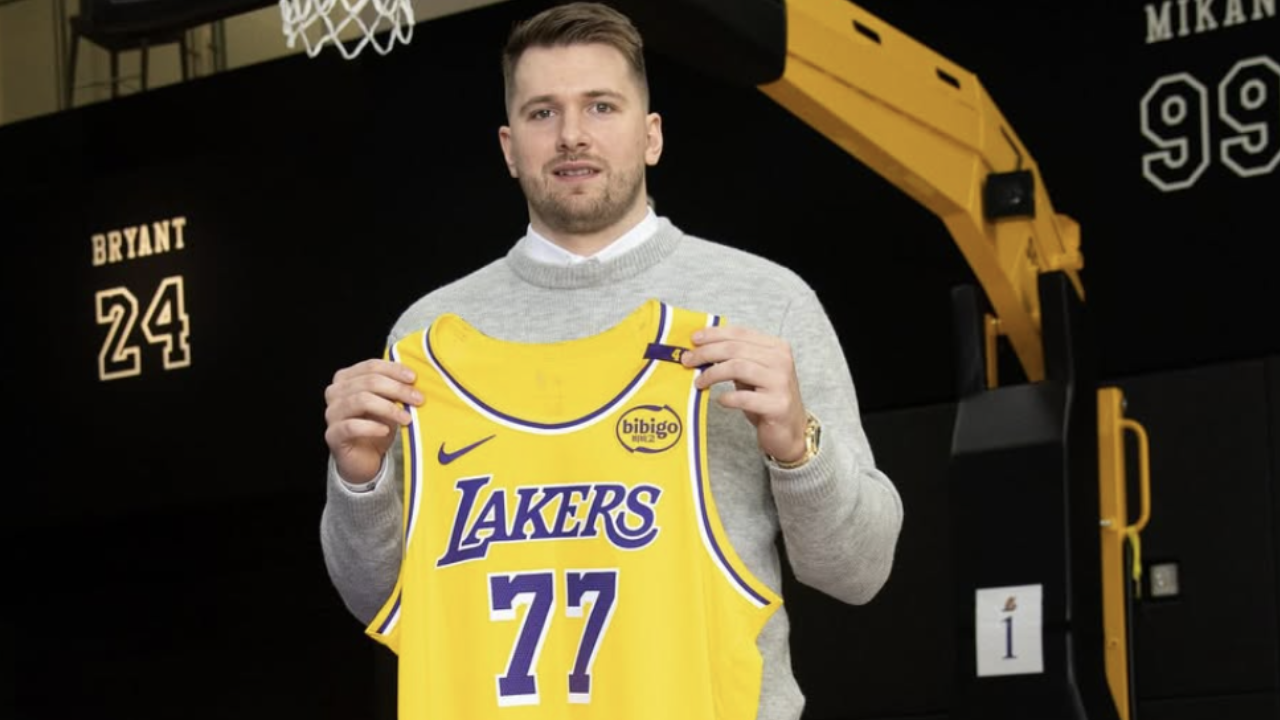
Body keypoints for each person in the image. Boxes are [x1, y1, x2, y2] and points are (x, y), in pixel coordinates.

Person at [320, 2, 903, 719]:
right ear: (509, 147)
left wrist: (797, 448)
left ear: (651, 134)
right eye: (542, 113)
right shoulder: (427, 339)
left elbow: (860, 571)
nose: (572, 134)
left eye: (601, 106)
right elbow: (377, 599)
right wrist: (359, 481)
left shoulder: (762, 304)